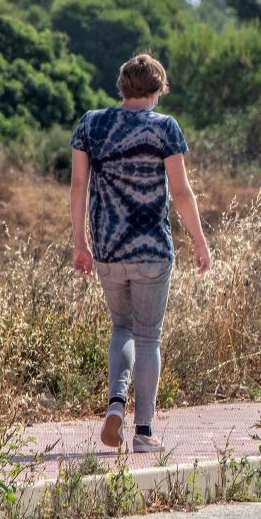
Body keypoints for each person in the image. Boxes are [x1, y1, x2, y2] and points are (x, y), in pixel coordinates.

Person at [69, 53, 211, 453]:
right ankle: (144, 433)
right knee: (149, 337)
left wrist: (81, 244)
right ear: (157, 90)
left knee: (121, 329)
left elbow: (78, 186)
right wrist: (200, 241)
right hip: (152, 250)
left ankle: (116, 403)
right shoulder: (164, 128)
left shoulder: (91, 124)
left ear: (123, 87)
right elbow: (181, 192)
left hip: (108, 249)